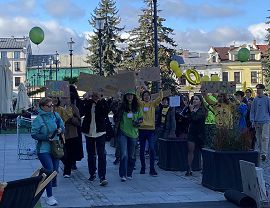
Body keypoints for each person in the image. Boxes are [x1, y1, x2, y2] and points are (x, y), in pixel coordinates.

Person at [31, 97, 65, 206]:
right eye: (49, 106)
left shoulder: (56, 115)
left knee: (55, 172)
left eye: (52, 105)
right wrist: (46, 137)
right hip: (43, 149)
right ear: (42, 107)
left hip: (55, 148)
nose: (51, 108)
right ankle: (50, 197)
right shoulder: (38, 119)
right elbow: (34, 134)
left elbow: (62, 126)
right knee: (50, 171)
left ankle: (44, 186)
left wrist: (60, 129)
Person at [81, 91, 109, 186]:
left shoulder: (103, 102)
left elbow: (106, 113)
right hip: (89, 132)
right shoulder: (88, 102)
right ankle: (92, 173)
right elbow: (81, 112)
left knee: (101, 154)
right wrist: (86, 98)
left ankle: (102, 176)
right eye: (94, 94)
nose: (95, 96)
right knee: (91, 154)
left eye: (97, 94)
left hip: (100, 131)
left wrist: (100, 100)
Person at [114, 89, 143, 182]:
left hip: (133, 134)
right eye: (128, 95)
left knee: (131, 155)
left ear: (134, 96)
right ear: (125, 97)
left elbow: (141, 119)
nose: (130, 96)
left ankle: (129, 172)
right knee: (123, 154)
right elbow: (114, 112)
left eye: (131, 95)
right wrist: (116, 99)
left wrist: (137, 122)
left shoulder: (138, 107)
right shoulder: (122, 106)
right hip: (123, 132)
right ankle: (122, 174)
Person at [138, 89, 163, 176]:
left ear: (150, 96)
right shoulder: (141, 104)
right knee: (142, 150)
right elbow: (136, 98)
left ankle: (152, 169)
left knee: (152, 149)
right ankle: (143, 167)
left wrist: (160, 89)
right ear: (143, 97)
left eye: (148, 95)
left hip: (151, 130)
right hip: (142, 129)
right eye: (144, 95)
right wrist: (138, 88)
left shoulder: (153, 104)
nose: (146, 96)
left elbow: (160, 98)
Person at [186, 95, 207, 176]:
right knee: (190, 150)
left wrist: (192, 111)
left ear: (200, 101)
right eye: (193, 99)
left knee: (202, 151)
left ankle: (205, 168)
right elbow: (189, 119)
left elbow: (195, 118)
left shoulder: (203, 110)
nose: (194, 101)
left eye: (196, 99)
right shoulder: (191, 109)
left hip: (200, 133)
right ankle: (189, 168)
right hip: (192, 132)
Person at [62, 96, 81, 178]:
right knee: (61, 153)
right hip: (60, 133)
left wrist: (71, 118)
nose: (64, 100)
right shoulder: (59, 108)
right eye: (63, 98)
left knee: (69, 153)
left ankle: (67, 171)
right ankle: (67, 166)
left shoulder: (74, 108)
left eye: (66, 98)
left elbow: (78, 122)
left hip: (71, 133)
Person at [250, 84, 270, 162]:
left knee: (265, 137)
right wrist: (252, 120)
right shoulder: (255, 100)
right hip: (257, 122)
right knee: (258, 138)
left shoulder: (267, 99)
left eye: (259, 88)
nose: (258, 90)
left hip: (265, 121)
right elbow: (252, 111)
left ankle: (264, 153)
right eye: (257, 88)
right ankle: (261, 153)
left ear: (262, 90)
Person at [69, 85, 84, 169]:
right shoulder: (79, 101)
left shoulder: (67, 103)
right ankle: (73, 162)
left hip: (70, 126)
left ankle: (70, 162)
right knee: (75, 144)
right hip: (76, 127)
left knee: (68, 145)